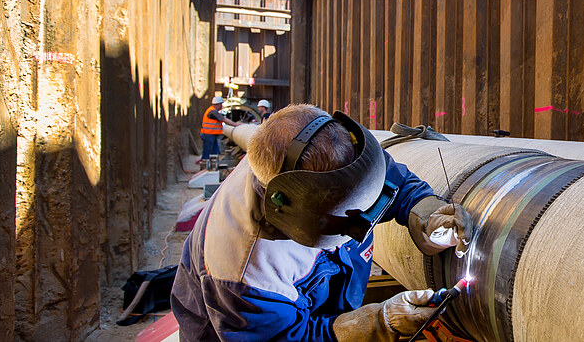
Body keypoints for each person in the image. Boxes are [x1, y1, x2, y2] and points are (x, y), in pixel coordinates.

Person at [172, 104, 473, 341]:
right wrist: (375, 324)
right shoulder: (247, 272)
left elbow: (396, 183)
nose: (367, 222)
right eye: (352, 217)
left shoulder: (343, 154)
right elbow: (286, 338)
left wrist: (427, 213)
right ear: (307, 215)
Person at [201, 96, 241, 165]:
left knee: (215, 151)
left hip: (211, 134)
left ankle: (212, 165)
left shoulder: (213, 111)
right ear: (218, 104)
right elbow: (224, 120)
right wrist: (236, 125)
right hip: (209, 134)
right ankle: (206, 166)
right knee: (208, 152)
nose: (222, 106)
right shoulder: (213, 112)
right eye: (221, 104)